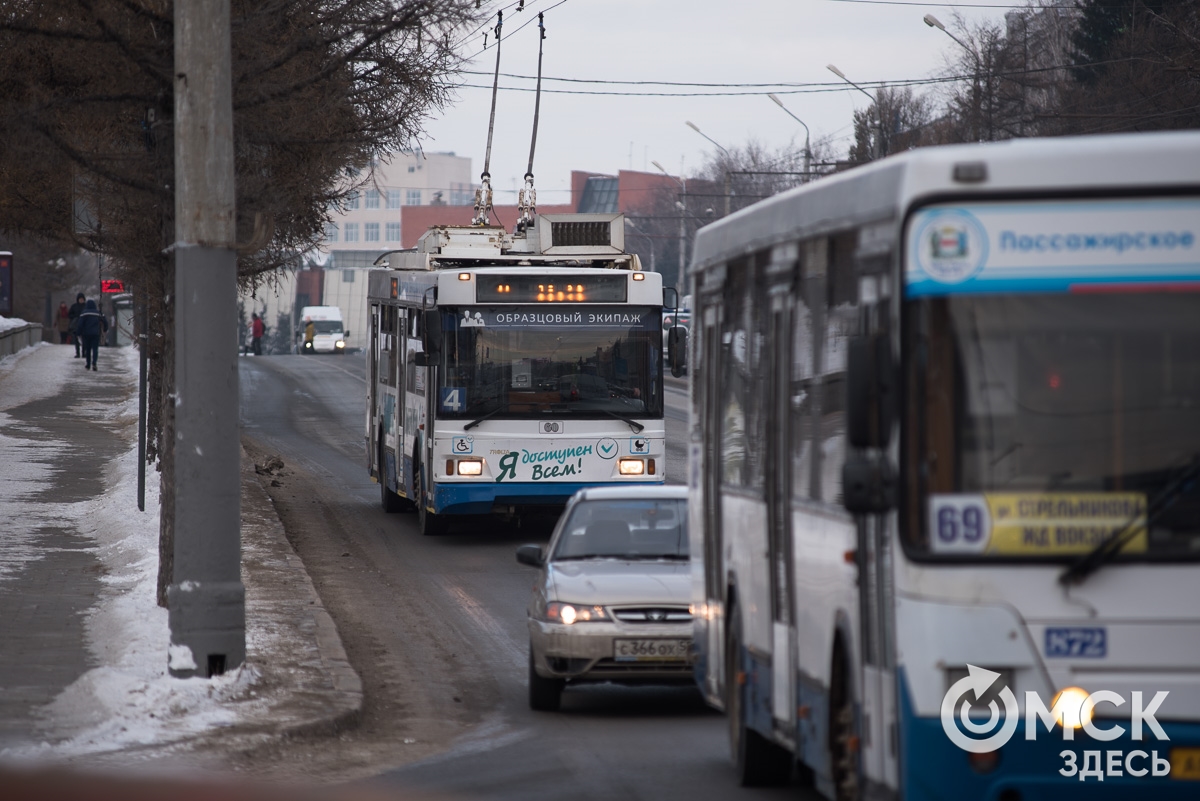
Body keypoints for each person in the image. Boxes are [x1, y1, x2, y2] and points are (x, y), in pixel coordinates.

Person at [75, 298, 108, 371]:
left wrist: (78, 333)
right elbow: (105, 322)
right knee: (95, 349)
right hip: (95, 334)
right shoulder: (98, 313)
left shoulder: (84, 313)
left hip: (86, 334)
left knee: (88, 349)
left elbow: (80, 324)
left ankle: (88, 364)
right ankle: (94, 363)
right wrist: (105, 329)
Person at [67, 293, 87, 357]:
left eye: (82, 299)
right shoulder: (74, 306)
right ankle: (77, 353)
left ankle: (84, 352)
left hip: (84, 325)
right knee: (76, 340)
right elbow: (69, 314)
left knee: (84, 340)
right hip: (76, 325)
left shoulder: (86, 306)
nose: (81, 300)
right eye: (80, 299)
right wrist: (75, 317)